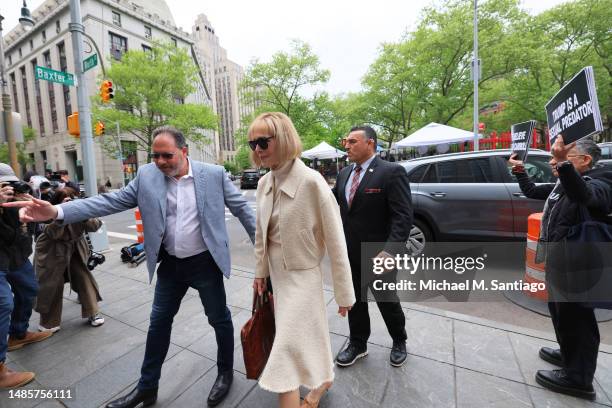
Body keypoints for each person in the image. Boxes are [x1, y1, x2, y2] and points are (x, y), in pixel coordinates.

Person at [3, 126, 256, 407]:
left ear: (184, 152)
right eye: (155, 155)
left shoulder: (213, 174)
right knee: (158, 325)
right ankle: (147, 388)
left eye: (167, 155)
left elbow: (243, 211)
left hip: (205, 263)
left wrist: (266, 260)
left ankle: (224, 372)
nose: (159, 162)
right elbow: (110, 201)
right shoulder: (148, 175)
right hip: (170, 265)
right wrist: (57, 211)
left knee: (218, 319)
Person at [249, 113, 355, 408]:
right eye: (252, 143)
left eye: (262, 141)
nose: (257, 149)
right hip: (276, 279)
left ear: (283, 138)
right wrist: (260, 275)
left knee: (286, 349)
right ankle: (323, 381)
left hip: (303, 278)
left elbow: (336, 242)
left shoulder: (311, 182)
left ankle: (312, 389)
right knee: (303, 337)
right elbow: (261, 235)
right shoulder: (263, 183)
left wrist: (344, 292)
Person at [509, 136, 612, 401]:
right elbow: (533, 191)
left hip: (579, 263)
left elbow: (587, 196)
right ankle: (569, 354)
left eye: (564, 157)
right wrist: (520, 171)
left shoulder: (602, 181)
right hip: (559, 258)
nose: (554, 162)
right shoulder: (563, 183)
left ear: (585, 160)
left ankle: (578, 379)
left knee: (577, 317)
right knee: (561, 312)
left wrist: (564, 166)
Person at [332, 126, 413, 368]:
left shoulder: (391, 172)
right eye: (346, 141)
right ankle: (358, 343)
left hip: (380, 254)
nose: (347, 145)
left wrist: (390, 250)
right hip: (350, 253)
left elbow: (403, 216)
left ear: (370, 144)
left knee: (387, 300)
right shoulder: (344, 173)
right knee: (355, 300)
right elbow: (330, 203)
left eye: (353, 141)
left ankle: (399, 340)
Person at [0, 164, 53, 389]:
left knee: (30, 289)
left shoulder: (18, 199)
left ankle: (18, 334)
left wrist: (32, 201)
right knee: (3, 303)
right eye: (5, 185)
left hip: (17, 256)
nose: (10, 188)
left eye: (12, 183)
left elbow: (34, 228)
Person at [34, 187, 105, 332]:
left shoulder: (81, 209)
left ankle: (93, 312)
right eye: (65, 199)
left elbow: (95, 226)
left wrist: (82, 214)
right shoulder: (48, 211)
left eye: (72, 198)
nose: (69, 201)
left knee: (83, 278)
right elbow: (53, 233)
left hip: (75, 250)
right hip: (51, 251)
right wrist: (62, 213)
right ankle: (49, 321)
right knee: (52, 284)